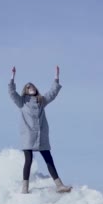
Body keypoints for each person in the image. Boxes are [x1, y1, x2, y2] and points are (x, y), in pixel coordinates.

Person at [8, 65, 73, 194]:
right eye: (27, 87)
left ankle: (59, 185)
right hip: (28, 135)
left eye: (31, 86)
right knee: (29, 160)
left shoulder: (41, 101)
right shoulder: (22, 102)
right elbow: (11, 93)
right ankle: (24, 188)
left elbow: (52, 93)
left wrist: (56, 77)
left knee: (49, 159)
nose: (30, 87)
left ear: (35, 89)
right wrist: (12, 77)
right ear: (25, 91)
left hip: (41, 135)